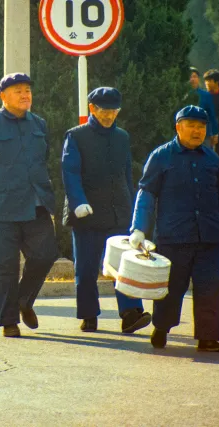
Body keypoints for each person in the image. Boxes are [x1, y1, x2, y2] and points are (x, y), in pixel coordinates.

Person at [130, 105, 219, 352]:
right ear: (178, 127)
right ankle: (161, 327)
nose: (197, 131)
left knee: (209, 288)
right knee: (172, 289)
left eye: (201, 126)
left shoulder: (212, 159)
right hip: (174, 237)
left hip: (209, 236)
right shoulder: (161, 156)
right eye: (191, 125)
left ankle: (207, 337)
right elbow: (147, 194)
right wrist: (139, 229)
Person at [0, 73, 59, 338]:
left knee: (46, 254)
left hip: (35, 204)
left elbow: (44, 160)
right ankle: (9, 321)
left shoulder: (39, 124)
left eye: (28, 90)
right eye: (17, 90)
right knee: (4, 266)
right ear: (3, 96)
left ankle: (23, 300)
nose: (25, 95)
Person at [61, 87, 150, 334]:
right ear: (92, 108)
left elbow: (126, 175)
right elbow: (70, 173)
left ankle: (131, 313)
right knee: (87, 268)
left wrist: (135, 212)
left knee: (125, 265)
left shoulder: (122, 137)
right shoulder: (76, 136)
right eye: (104, 111)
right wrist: (78, 202)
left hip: (118, 212)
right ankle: (89, 315)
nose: (109, 116)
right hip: (86, 214)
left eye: (114, 111)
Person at [189, 67, 219, 149]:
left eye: (194, 76)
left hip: (204, 134)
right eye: (190, 77)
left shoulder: (206, 95)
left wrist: (215, 133)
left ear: (198, 79)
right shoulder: (181, 95)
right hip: (187, 134)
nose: (192, 79)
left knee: (206, 158)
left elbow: (212, 115)